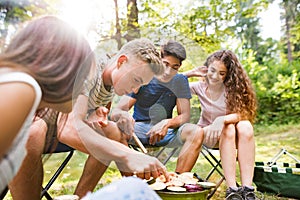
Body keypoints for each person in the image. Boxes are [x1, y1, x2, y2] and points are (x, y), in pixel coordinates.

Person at [9, 38, 169, 199]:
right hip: (33, 123)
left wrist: (106, 114)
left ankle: (85, 197)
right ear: (121, 61)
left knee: (114, 132)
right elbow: (68, 129)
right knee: (34, 131)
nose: (135, 89)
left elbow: (99, 115)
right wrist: (127, 154)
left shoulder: (112, 81)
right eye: (136, 80)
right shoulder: (90, 67)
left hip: (55, 129)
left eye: (141, 86)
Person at [0, 15, 94, 194]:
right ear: (63, 68)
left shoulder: (26, 107)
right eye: (82, 77)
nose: (83, 88)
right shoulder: (24, 87)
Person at [111, 40, 204, 172]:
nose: (168, 71)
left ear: (179, 67)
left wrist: (167, 123)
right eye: (165, 64)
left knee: (196, 131)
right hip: (138, 129)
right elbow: (117, 110)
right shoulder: (143, 76)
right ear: (159, 60)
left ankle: (177, 183)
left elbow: (185, 116)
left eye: (175, 67)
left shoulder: (180, 80)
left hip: (166, 132)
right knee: (115, 129)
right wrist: (124, 116)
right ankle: (134, 182)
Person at [183, 50, 258, 200]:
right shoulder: (199, 86)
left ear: (228, 75)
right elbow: (169, 85)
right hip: (209, 135)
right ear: (206, 68)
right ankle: (232, 189)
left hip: (235, 138)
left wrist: (221, 120)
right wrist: (190, 73)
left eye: (222, 73)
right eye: (212, 70)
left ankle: (247, 189)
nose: (215, 76)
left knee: (245, 126)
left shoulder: (233, 89)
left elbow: (245, 113)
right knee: (229, 128)